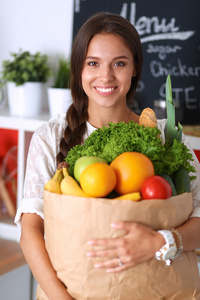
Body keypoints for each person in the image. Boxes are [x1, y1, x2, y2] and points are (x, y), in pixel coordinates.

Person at [15, 12, 200, 300]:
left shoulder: (166, 137)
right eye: (93, 63)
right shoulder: (49, 138)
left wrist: (160, 241)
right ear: (79, 69)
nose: (106, 76)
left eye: (119, 63)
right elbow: (31, 233)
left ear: (135, 68)